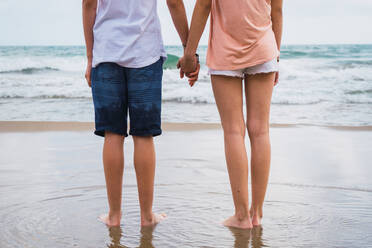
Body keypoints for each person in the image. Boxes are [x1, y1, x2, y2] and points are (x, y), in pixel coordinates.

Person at [82, 0, 199, 227]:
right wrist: (188, 50)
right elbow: (174, 2)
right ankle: (147, 216)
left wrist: (90, 57)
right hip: (145, 52)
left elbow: (89, 4)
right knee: (143, 136)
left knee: (112, 135)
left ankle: (114, 216)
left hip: (106, 51)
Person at [179, 0, 283, 229]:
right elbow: (277, 10)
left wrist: (189, 54)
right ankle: (256, 214)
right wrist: (276, 55)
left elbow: (204, 5)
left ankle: (241, 216)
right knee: (260, 131)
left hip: (225, 51)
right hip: (264, 48)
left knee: (234, 132)